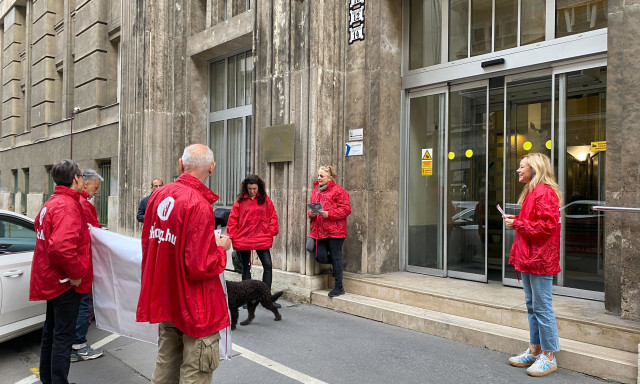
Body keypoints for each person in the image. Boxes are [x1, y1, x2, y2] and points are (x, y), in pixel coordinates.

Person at [137, 144, 231, 384]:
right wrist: (220, 248)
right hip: (195, 305)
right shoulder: (198, 204)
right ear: (212, 168)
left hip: (168, 297)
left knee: (166, 365)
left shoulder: (158, 196)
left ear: (181, 164)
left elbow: (149, 244)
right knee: (195, 369)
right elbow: (200, 265)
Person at [29, 160, 91, 384]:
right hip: (65, 282)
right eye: (82, 175)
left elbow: (39, 225)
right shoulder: (67, 204)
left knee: (51, 333)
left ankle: (49, 379)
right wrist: (75, 274)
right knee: (63, 336)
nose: (84, 179)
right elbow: (61, 246)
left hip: (52, 278)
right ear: (75, 178)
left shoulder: (53, 201)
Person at [504, 153, 562, 377]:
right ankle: (535, 349)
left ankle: (548, 356)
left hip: (539, 259)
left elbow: (546, 227)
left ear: (535, 169)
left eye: (522, 167)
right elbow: (535, 223)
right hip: (530, 258)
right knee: (532, 305)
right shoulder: (533, 191)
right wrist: (517, 221)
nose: (518, 170)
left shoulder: (544, 192)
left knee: (541, 307)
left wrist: (517, 222)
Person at [227, 175, 279, 305]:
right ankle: (247, 299)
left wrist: (271, 230)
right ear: (246, 188)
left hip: (261, 237)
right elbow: (233, 219)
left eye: (254, 189)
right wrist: (231, 236)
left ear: (259, 187)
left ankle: (266, 297)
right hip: (243, 237)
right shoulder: (240, 200)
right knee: (246, 267)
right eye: (250, 189)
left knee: (267, 265)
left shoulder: (265, 199)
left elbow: (273, 216)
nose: (252, 191)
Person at [71, 169, 104, 362]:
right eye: (96, 187)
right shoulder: (83, 205)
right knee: (85, 305)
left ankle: (74, 345)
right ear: (85, 184)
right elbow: (93, 232)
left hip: (78, 263)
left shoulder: (73, 202)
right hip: (83, 263)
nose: (97, 192)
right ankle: (79, 345)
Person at [308, 165, 351, 297]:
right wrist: (312, 214)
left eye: (321, 176)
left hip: (335, 230)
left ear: (330, 177)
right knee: (317, 254)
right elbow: (311, 211)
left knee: (335, 255)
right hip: (318, 230)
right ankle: (339, 264)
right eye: (318, 176)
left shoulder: (339, 191)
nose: (319, 178)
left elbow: (346, 209)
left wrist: (329, 214)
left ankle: (339, 287)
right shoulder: (315, 191)